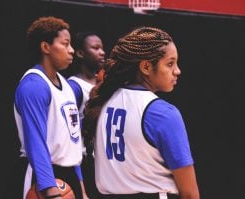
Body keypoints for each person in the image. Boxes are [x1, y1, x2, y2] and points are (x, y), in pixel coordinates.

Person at [82, 26, 200, 199]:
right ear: (145, 67)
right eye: (170, 63)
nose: (177, 70)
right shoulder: (163, 114)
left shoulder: (103, 102)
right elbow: (189, 193)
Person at [13, 16, 86, 199]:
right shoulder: (33, 85)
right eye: (65, 44)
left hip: (71, 175)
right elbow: (35, 141)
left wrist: (82, 190)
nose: (71, 50)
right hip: (44, 175)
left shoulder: (66, 85)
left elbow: (72, 141)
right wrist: (50, 190)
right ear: (46, 47)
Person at [68, 31, 106, 198]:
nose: (102, 52)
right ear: (80, 53)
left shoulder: (104, 85)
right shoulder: (74, 87)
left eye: (102, 48)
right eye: (96, 48)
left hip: (103, 161)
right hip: (84, 162)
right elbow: (70, 134)